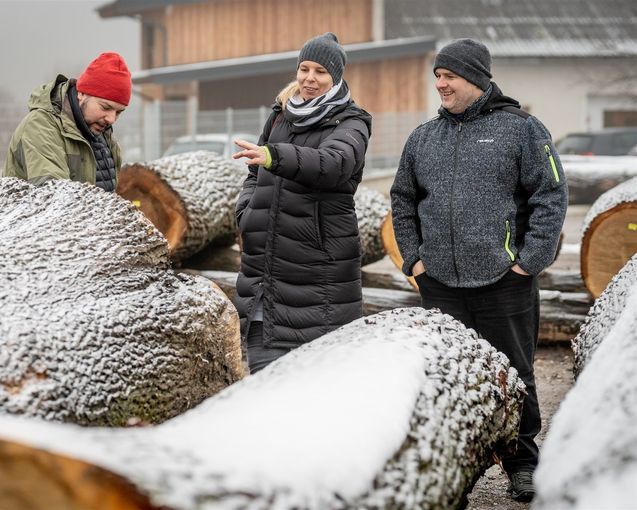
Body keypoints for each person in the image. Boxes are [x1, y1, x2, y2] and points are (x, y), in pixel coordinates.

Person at [390, 38, 568, 502]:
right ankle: (454, 469)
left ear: (476, 78)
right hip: (440, 284)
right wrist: (415, 259)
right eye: (437, 76)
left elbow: (550, 196)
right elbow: (402, 200)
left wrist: (529, 263)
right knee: (447, 378)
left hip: (503, 281)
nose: (440, 84)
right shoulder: (423, 137)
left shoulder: (522, 129)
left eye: (448, 76)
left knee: (516, 374)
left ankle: (522, 464)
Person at [232, 32, 372, 374]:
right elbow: (255, 172)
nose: (309, 78)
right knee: (263, 387)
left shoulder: (352, 123)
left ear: (336, 77)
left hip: (319, 281)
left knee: (314, 393)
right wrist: (247, 210)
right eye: (304, 68)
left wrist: (273, 155)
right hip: (265, 278)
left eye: (320, 72)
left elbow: (333, 164)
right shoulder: (280, 116)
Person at [4, 52, 131, 191]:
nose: (111, 119)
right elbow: (54, 198)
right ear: (82, 94)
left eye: (118, 112)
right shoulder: (40, 127)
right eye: (105, 107)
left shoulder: (104, 136)